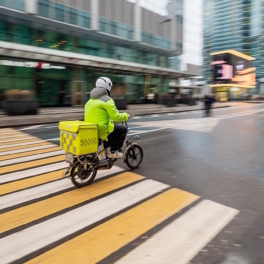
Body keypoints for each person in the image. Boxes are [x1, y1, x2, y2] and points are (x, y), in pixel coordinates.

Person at [85, 77, 130, 159]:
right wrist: (126, 116)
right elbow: (116, 117)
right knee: (122, 129)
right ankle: (113, 152)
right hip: (102, 131)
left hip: (91, 130)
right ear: (107, 86)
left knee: (113, 128)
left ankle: (105, 150)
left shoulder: (89, 101)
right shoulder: (107, 100)